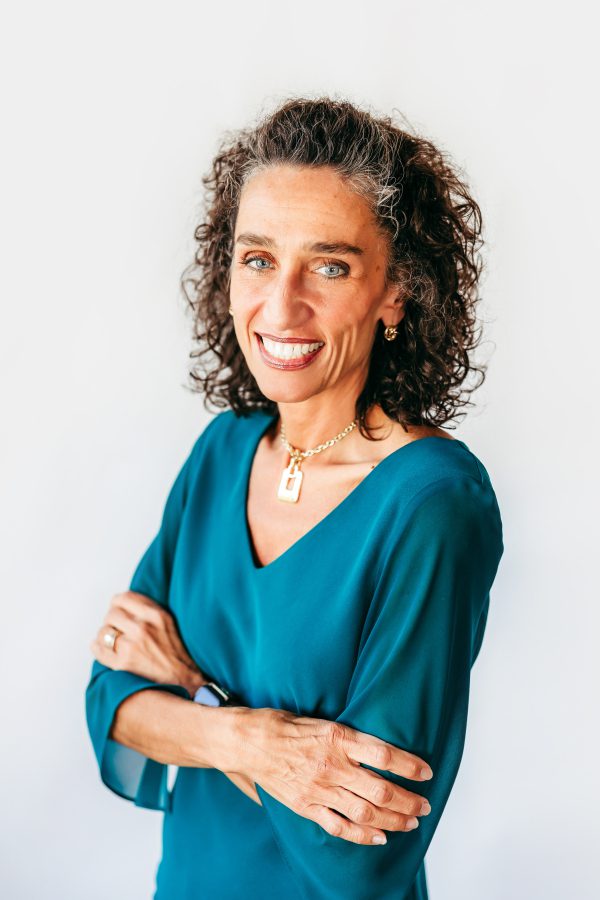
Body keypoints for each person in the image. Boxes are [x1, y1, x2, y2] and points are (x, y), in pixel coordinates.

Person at [85, 96, 504, 899]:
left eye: (330, 266)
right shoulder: (223, 451)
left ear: (396, 292)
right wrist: (255, 742)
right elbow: (110, 696)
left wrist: (191, 694)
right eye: (257, 259)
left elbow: (361, 853)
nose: (281, 307)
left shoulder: (433, 505)